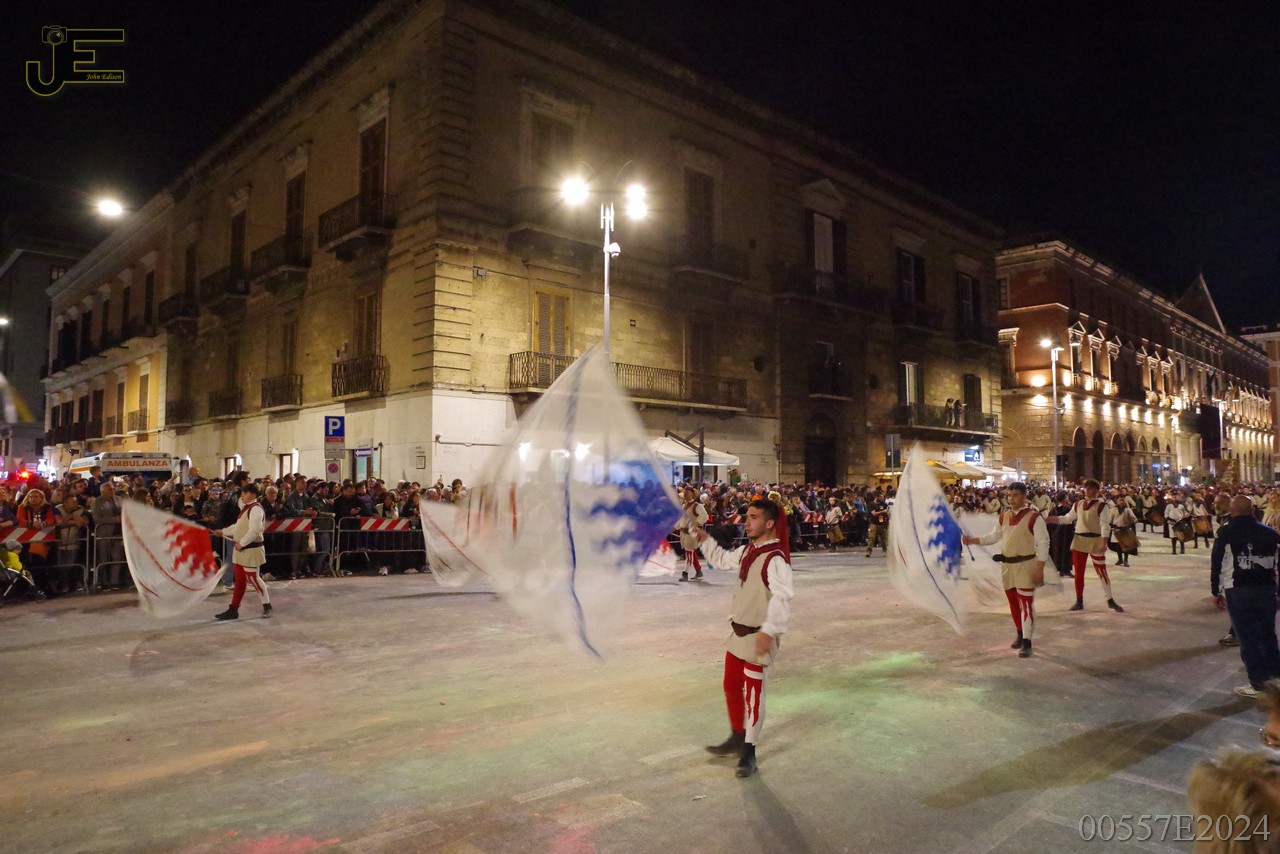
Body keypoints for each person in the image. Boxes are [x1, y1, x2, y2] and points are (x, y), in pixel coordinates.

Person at [695, 499, 794, 778]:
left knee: (753, 695)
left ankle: (749, 751)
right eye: (747, 516)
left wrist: (768, 631)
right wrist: (705, 541)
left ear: (770, 523)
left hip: (757, 636)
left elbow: (783, 598)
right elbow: (722, 560)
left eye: (753, 517)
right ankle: (738, 735)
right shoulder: (748, 549)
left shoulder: (776, 560)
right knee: (731, 686)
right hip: (738, 634)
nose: (747, 522)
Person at [962, 482, 1048, 658]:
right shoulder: (1004, 516)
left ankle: (1027, 641)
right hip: (1008, 566)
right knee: (1013, 603)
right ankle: (1020, 633)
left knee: (1026, 604)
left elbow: (1043, 543)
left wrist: (1040, 567)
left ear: (1024, 496)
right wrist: (973, 540)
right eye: (1009, 495)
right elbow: (994, 537)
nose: (1011, 498)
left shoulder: (1034, 517)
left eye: (1015, 495)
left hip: (1026, 565)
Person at [1211, 495, 1280, 698]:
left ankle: (1258, 685)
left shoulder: (1226, 532)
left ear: (1232, 511)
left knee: (1248, 638)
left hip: (1238, 589)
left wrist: (1216, 591)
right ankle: (1275, 678)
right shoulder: (1271, 533)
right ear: (1252, 510)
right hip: (1266, 589)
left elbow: (1217, 562)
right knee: (1268, 635)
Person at [1048, 479, 1124, 612]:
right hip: (1080, 540)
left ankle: (1110, 599)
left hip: (1095, 540)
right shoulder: (1078, 504)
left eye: (1089, 488)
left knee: (1102, 572)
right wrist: (1052, 519)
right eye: (1086, 488)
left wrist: (1104, 542)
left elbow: (1105, 526)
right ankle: (1079, 601)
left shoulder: (1102, 506)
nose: (1086, 490)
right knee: (1079, 573)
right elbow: (1068, 518)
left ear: (1096, 490)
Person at [212, 482, 272, 620]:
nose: (242, 496)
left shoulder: (255, 509)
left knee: (254, 578)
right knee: (240, 581)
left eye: (245, 493)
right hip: (241, 550)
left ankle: (267, 606)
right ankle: (233, 609)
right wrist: (223, 531)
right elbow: (238, 527)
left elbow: (255, 530)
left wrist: (242, 543)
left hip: (250, 550)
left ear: (253, 495)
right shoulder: (246, 508)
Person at [91, 482, 125, 590]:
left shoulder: (119, 499)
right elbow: (97, 518)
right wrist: (114, 520)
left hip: (118, 533)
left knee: (117, 558)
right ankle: (104, 581)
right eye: (110, 489)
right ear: (103, 491)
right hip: (105, 534)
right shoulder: (98, 502)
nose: (113, 491)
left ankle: (114, 581)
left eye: (113, 488)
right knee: (104, 558)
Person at [675, 487, 709, 581]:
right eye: (685, 492)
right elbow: (680, 520)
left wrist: (696, 524)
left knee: (689, 553)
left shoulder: (697, 506)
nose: (685, 494)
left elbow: (705, 516)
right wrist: (673, 529)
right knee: (690, 552)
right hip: (684, 532)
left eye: (688, 492)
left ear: (692, 494)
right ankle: (698, 570)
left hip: (691, 533)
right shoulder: (683, 506)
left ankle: (685, 573)